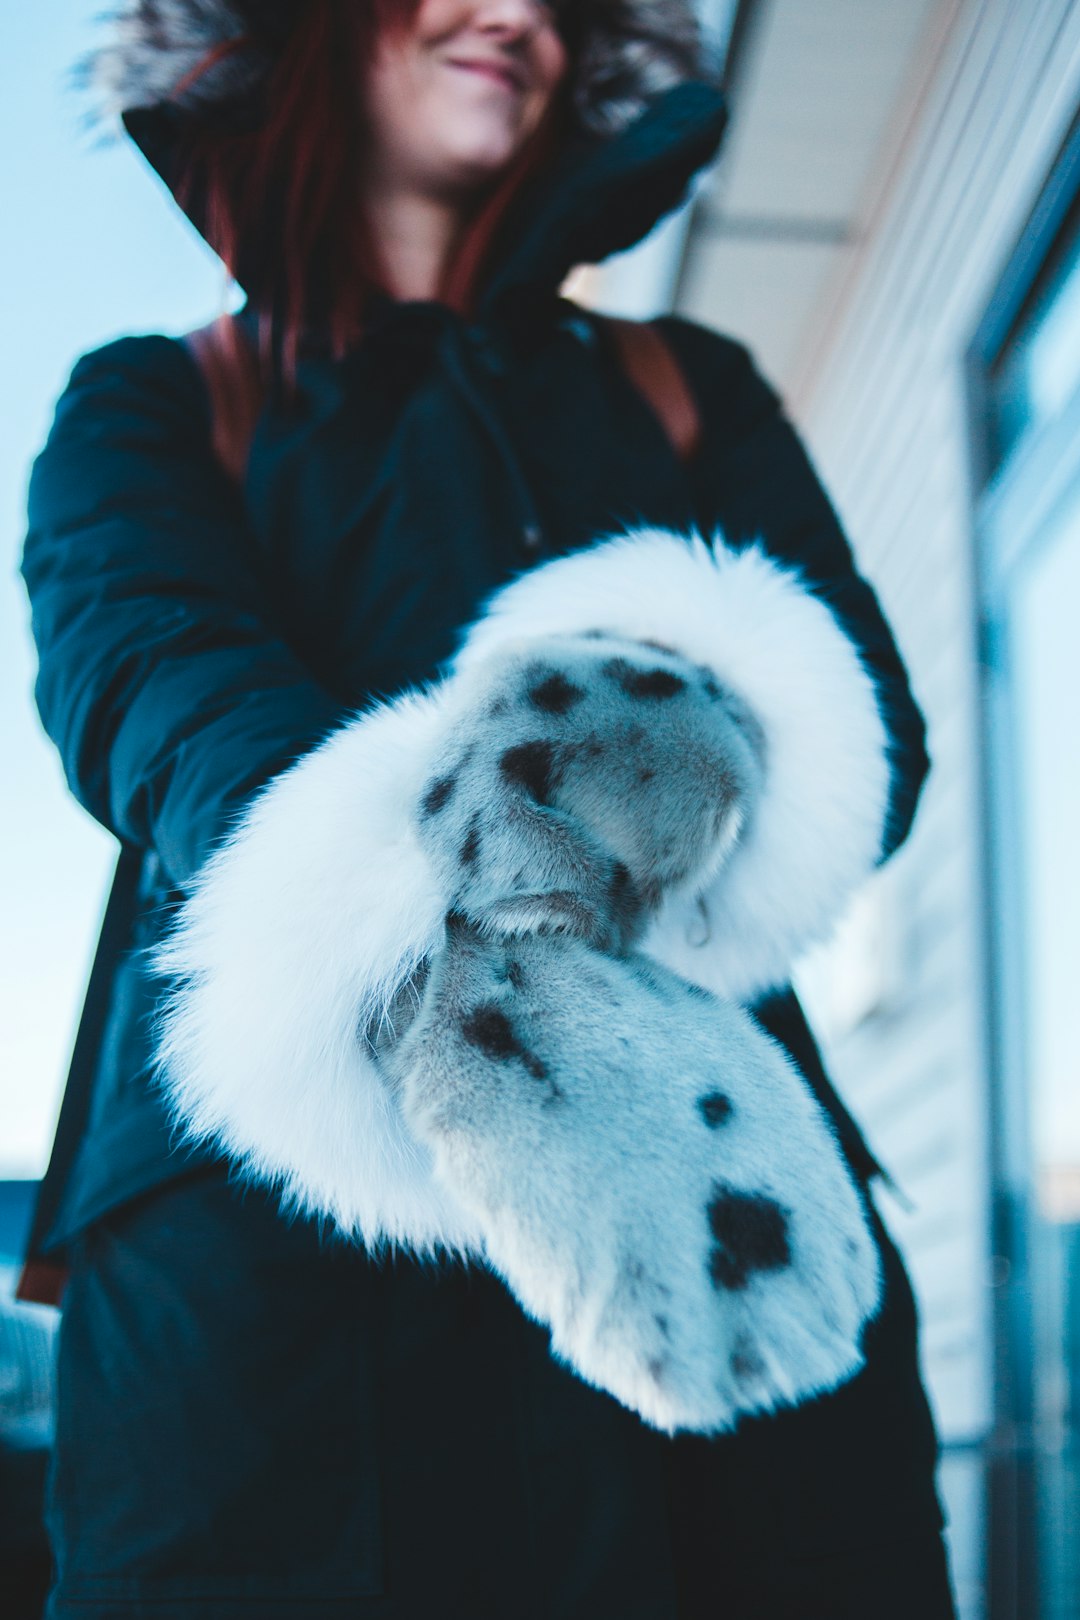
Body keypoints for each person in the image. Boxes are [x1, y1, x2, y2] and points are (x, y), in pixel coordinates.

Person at [20, 1, 956, 1615]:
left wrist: (599, 804)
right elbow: (146, 671)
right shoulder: (156, 404)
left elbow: (858, 717)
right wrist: (423, 889)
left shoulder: (684, 388)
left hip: (711, 1216)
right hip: (277, 1273)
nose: (511, 14)